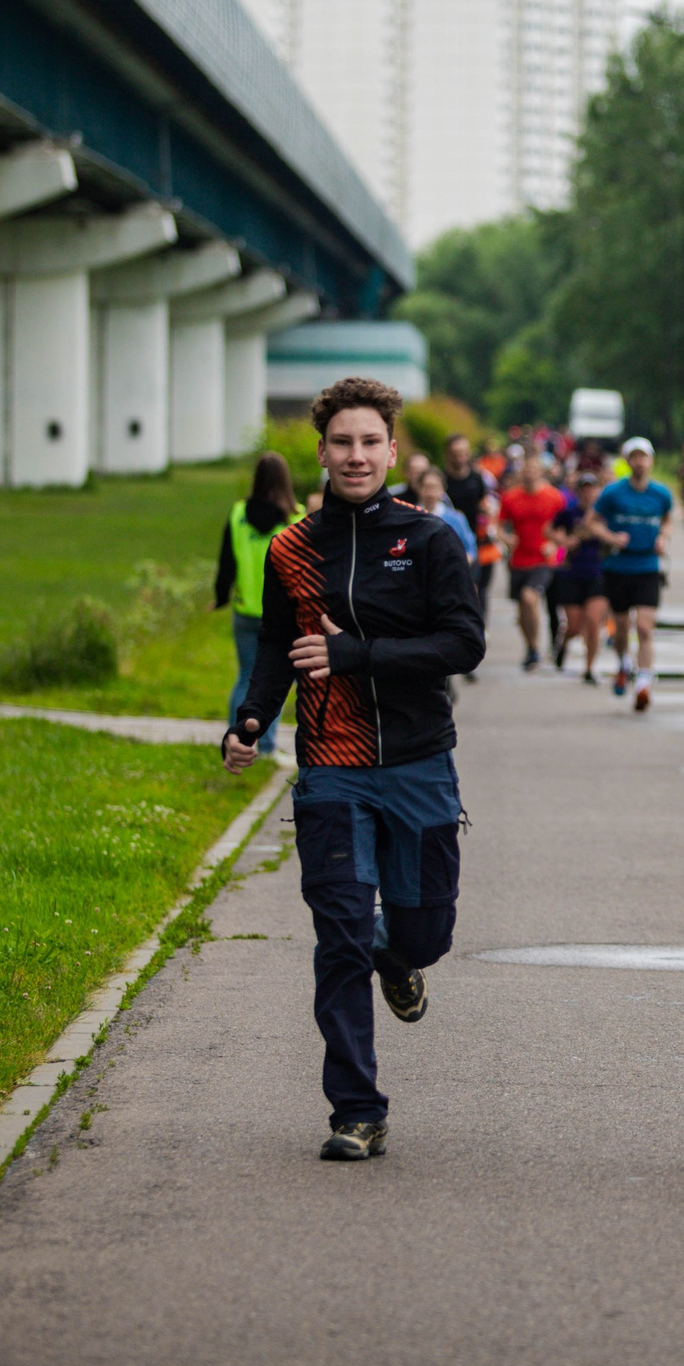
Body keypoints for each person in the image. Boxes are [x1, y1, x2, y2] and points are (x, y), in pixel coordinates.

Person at [222, 377, 486, 1162]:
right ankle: (356, 1108)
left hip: (417, 762)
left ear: (393, 450)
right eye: (342, 442)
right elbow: (275, 645)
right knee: (337, 935)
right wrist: (249, 719)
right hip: (331, 763)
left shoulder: (430, 538)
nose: (357, 455)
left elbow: (463, 645)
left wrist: (354, 653)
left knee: (424, 930)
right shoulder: (293, 549)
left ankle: (397, 955)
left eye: (371, 441)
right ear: (322, 451)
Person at [214, 452, 303, 753]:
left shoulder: (239, 513)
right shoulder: (296, 516)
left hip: (245, 608)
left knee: (245, 676)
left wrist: (219, 597)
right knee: (275, 678)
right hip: (283, 614)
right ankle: (264, 744)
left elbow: (226, 560)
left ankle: (236, 739)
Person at [596, 436, 674, 712]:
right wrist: (610, 537)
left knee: (644, 627)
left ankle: (643, 683)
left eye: (644, 457)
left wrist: (664, 537)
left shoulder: (661, 494)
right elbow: (592, 522)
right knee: (621, 628)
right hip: (618, 567)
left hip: (647, 566)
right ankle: (623, 664)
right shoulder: (612, 493)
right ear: (627, 462)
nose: (640, 462)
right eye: (635, 457)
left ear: (651, 461)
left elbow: (668, 518)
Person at [495, 454, 568, 673]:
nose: (529, 473)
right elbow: (499, 526)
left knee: (530, 598)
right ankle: (531, 648)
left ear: (542, 472)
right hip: (519, 559)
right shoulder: (510, 497)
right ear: (521, 472)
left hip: (544, 558)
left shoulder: (554, 497)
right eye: (526, 469)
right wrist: (507, 539)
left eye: (534, 469)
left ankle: (537, 646)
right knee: (522, 610)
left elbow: (565, 526)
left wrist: (555, 545)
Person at [550, 470, 614, 681]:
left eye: (592, 489)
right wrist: (563, 542)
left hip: (599, 572)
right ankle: (564, 643)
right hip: (573, 572)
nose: (588, 493)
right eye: (584, 489)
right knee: (575, 626)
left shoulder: (605, 515)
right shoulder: (570, 513)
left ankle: (589, 667)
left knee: (593, 620)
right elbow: (549, 530)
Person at [440, 434, 498, 607]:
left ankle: (480, 629)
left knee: (478, 588)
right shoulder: (442, 480)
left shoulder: (478, 478)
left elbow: (488, 503)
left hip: (476, 541)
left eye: (464, 453)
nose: (460, 458)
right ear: (447, 454)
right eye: (456, 453)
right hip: (448, 540)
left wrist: (487, 513)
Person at [415, 466, 478, 565]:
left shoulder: (456, 519)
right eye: (426, 487)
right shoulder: (411, 517)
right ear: (418, 488)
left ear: (443, 489)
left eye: (434, 487)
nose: (430, 493)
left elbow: (470, 549)